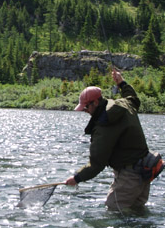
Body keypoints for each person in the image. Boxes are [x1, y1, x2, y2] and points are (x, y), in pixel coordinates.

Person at [65, 69, 154, 211]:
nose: (85, 110)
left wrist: (77, 178)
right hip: (144, 171)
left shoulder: (104, 124)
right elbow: (133, 98)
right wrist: (122, 83)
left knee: (114, 210)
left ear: (95, 102)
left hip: (129, 176)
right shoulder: (123, 103)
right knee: (136, 212)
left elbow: (97, 163)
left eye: (86, 107)